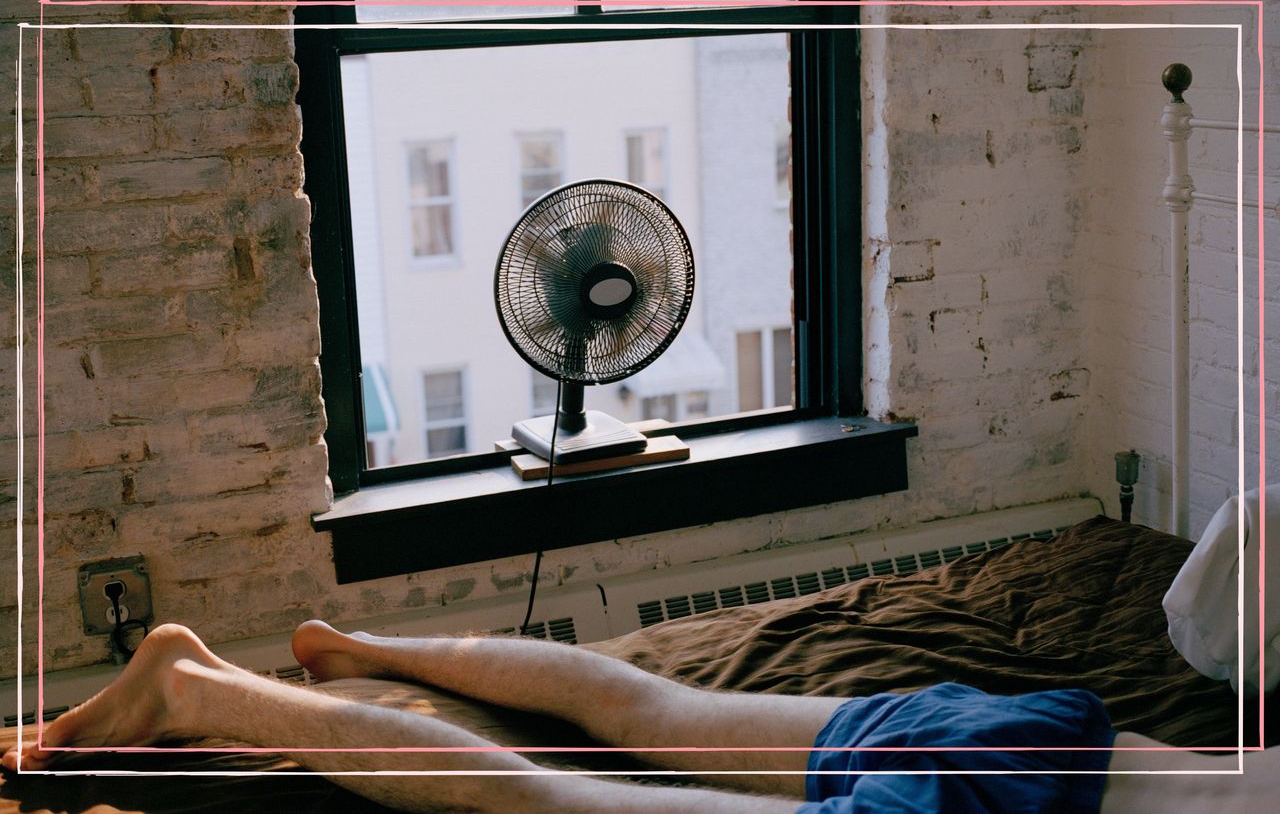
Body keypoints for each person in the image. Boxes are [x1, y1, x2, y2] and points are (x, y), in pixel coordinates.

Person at [0, 621, 1270, 813]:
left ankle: (354, 648)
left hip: (1048, 737)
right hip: (999, 800)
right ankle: (191, 690)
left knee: (652, 703)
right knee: (551, 798)